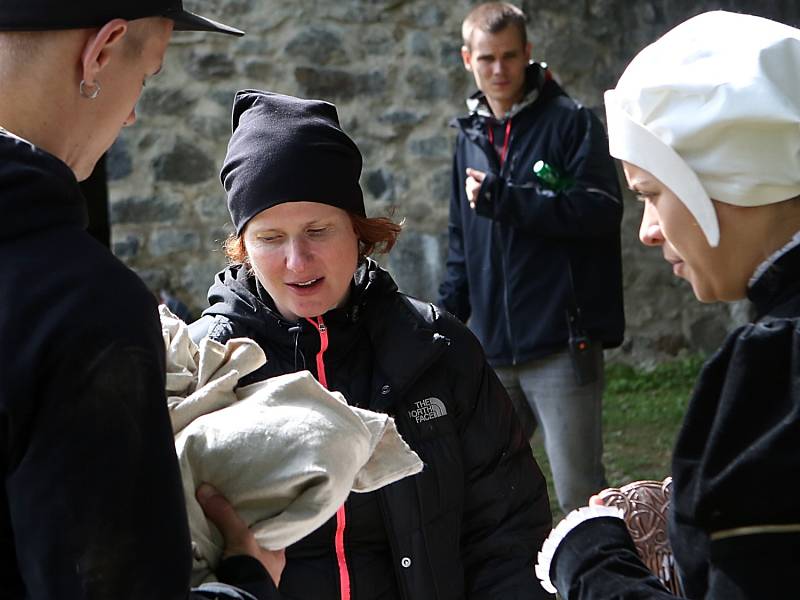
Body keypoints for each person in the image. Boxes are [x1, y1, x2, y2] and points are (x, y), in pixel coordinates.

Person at [189, 89, 554, 599]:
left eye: (319, 230)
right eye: (270, 237)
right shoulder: (205, 371)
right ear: (243, 247)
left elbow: (508, 532)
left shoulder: (438, 348)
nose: (297, 261)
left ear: (359, 233)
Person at [0, 1, 284, 597]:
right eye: (147, 77)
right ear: (101, 51)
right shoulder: (81, 308)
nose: (131, 114)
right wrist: (244, 585)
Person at [534, 10, 800, 599]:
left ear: (729, 176)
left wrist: (590, 557)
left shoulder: (779, 366)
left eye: (651, 193)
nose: (648, 231)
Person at [437, 2, 624, 513]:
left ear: (528, 54)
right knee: (493, 498)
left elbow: (601, 212)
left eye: (510, 57)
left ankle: (602, 587)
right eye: (487, 59)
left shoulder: (572, 123)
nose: (499, 70)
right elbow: (461, 244)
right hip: (492, 353)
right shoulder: (469, 136)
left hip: (562, 346)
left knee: (579, 494)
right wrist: (442, 323)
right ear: (467, 59)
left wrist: (509, 199)